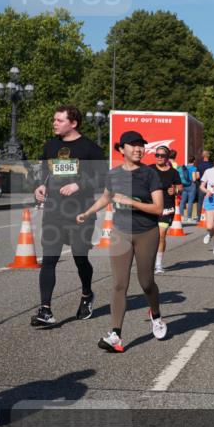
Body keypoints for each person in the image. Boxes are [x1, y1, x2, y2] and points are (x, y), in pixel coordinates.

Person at [77, 131, 167, 352]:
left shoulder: (150, 174)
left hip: (146, 233)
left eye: (141, 145)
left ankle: (155, 315)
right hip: (120, 233)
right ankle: (115, 335)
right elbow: (106, 198)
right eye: (133, 145)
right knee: (119, 284)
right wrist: (87, 213)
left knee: (146, 283)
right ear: (122, 149)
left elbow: (158, 208)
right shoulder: (113, 174)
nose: (138, 149)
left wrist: (131, 202)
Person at [31, 105, 106, 326]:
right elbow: (44, 174)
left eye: (59, 120)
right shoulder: (50, 146)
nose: (54, 123)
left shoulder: (90, 149)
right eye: (54, 119)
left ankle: (86, 294)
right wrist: (39, 187)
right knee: (49, 260)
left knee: (79, 257)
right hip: (54, 211)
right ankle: (45, 309)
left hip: (80, 213)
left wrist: (79, 184)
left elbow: (103, 179)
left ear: (73, 123)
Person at [149, 146, 183, 274]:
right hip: (150, 207)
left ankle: (158, 264)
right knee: (150, 237)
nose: (159, 157)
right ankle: (149, 261)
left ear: (167, 157)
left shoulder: (173, 172)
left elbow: (180, 187)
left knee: (161, 235)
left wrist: (176, 190)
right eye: (157, 155)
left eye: (162, 155)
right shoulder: (150, 169)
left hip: (167, 207)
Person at [178, 157, 199, 223]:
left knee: (182, 201)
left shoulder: (184, 167)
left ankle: (181, 217)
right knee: (190, 202)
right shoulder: (194, 168)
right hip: (191, 185)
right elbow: (194, 179)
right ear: (194, 161)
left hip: (184, 185)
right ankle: (189, 218)